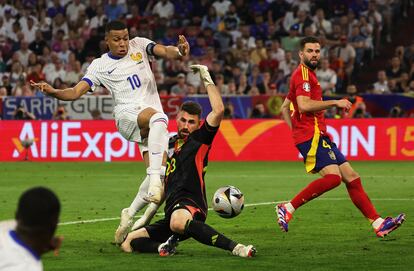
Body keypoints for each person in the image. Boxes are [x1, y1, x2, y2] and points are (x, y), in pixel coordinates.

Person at [30, 20, 190, 244]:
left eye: (125, 37)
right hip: (127, 116)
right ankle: (154, 182)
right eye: (117, 39)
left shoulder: (139, 45)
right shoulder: (100, 65)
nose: (123, 43)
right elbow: (75, 92)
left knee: (161, 187)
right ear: (107, 40)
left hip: (151, 125)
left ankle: (130, 216)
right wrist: (53, 92)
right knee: (160, 121)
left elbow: (165, 51)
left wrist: (180, 50)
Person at [120, 65, 256, 258]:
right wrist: (146, 215)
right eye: (183, 120)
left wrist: (206, 77)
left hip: (191, 204)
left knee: (177, 221)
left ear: (198, 124)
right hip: (171, 211)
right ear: (177, 118)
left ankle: (238, 248)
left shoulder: (200, 140)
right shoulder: (168, 144)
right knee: (128, 242)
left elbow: (218, 111)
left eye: (191, 122)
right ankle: (164, 247)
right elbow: (158, 180)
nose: (186, 125)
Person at [278, 36, 405, 238]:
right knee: (334, 178)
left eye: (317, 51)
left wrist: (294, 129)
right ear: (301, 54)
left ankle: (378, 223)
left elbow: (285, 107)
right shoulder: (302, 75)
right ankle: (288, 207)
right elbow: (303, 105)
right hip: (311, 136)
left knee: (352, 178)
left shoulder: (308, 75)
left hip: (319, 135)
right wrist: (334, 103)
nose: (314, 54)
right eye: (310, 51)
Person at [0, 187, 62, 271]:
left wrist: (42, 246)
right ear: (55, 223)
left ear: (16, 215)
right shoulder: (27, 267)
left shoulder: (4, 228)